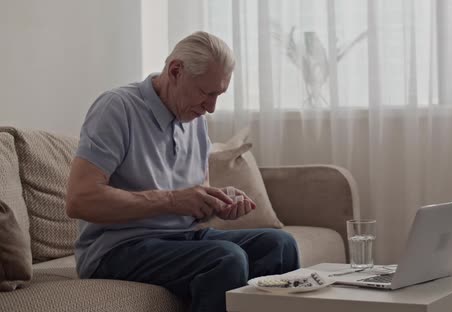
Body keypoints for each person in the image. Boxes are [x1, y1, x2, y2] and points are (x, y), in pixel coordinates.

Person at [65, 31, 300, 312]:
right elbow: (79, 200)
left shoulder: (195, 120)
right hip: (117, 248)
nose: (211, 108)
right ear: (176, 71)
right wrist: (173, 200)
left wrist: (216, 202)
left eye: (219, 95)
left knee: (280, 245)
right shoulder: (117, 108)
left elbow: (194, 199)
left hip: (180, 240)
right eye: (206, 93)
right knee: (225, 258)